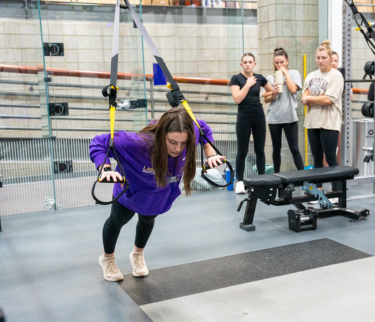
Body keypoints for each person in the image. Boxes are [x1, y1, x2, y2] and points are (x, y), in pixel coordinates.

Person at [89, 107, 224, 282]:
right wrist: (105, 168)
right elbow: (99, 142)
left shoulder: (190, 133)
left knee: (147, 220)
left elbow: (203, 129)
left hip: (158, 193)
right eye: (172, 141)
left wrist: (210, 153)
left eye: (184, 143)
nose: (178, 148)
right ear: (162, 135)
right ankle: (107, 258)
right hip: (131, 191)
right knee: (117, 221)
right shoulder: (137, 143)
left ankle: (137, 254)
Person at [301, 40, 344, 191]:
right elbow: (304, 99)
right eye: (318, 57)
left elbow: (328, 99)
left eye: (323, 58)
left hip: (329, 121)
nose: (320, 60)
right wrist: (312, 99)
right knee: (317, 158)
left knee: (331, 157)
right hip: (313, 121)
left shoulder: (336, 76)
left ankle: (337, 190)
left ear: (330, 58)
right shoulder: (312, 75)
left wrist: (311, 99)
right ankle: (318, 191)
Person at [230, 53, 274, 194]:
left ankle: (261, 180)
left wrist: (261, 95)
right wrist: (248, 85)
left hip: (258, 116)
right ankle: (240, 181)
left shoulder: (259, 78)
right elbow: (237, 99)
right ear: (241, 64)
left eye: (250, 62)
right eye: (245, 62)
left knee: (260, 150)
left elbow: (271, 91)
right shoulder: (236, 79)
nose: (248, 64)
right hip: (244, 116)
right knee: (242, 151)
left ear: (254, 64)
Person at [263, 48, 304, 173]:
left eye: (281, 62)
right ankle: (277, 176)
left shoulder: (294, 74)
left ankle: (304, 178)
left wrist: (285, 74)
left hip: (290, 117)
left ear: (287, 61)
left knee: (294, 148)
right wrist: (274, 93)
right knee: (276, 148)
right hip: (274, 117)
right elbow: (266, 99)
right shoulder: (270, 77)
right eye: (277, 63)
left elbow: (293, 90)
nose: (279, 65)